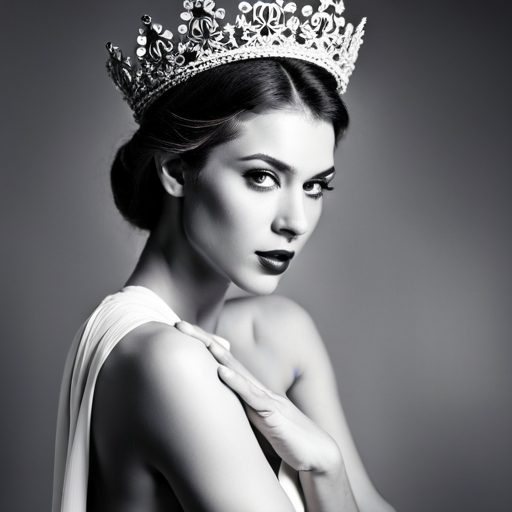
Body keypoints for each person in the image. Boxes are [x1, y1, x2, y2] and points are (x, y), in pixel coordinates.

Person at [52, 1, 395, 511]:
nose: (295, 221)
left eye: (315, 186)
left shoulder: (276, 332)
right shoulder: (165, 361)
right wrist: (327, 467)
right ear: (175, 171)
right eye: (262, 176)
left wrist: (328, 466)